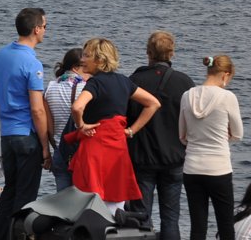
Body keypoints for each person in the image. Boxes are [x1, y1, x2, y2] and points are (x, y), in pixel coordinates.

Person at [67, 38, 160, 215]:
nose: (82, 59)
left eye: (87, 55)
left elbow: (77, 107)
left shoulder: (95, 83)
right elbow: (153, 103)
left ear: (100, 60)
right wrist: (132, 130)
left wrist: (81, 126)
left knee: (90, 201)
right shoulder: (124, 81)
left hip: (94, 148)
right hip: (117, 148)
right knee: (116, 200)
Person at [0, 7, 50, 240]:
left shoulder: (2, 54)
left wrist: (3, 107)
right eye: (45, 26)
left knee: (10, 191)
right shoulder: (33, 63)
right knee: (26, 196)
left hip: (7, 134)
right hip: (26, 135)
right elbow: (37, 109)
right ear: (36, 29)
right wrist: (45, 146)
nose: (45, 31)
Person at [127, 31, 195, 240]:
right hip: (174, 158)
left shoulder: (134, 80)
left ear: (148, 53)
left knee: (140, 217)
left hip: (142, 158)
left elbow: (126, 116)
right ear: (171, 54)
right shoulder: (185, 83)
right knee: (171, 218)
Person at [180, 54, 243, 240]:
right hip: (219, 169)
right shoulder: (228, 97)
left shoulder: (187, 96)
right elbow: (238, 134)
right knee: (225, 226)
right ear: (225, 74)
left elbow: (182, 135)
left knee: (197, 227)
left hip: (192, 168)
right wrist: (224, 137)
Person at [43, 47, 87, 191]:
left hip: (60, 151)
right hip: (81, 151)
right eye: (85, 66)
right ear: (75, 68)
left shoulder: (50, 87)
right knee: (84, 202)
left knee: (63, 203)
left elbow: (48, 126)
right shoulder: (86, 88)